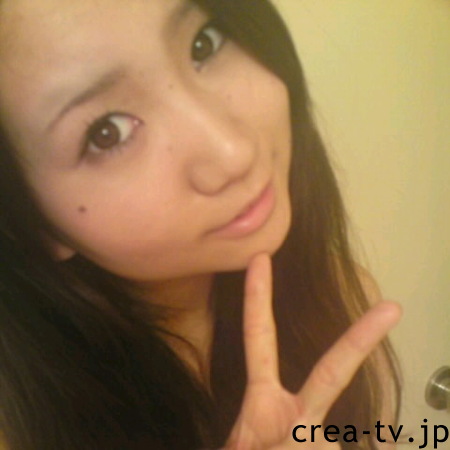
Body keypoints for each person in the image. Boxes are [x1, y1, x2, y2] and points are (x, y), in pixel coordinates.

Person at [0, 0, 402, 448]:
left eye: (204, 44)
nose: (234, 153)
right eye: (107, 133)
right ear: (32, 222)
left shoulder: (339, 304)